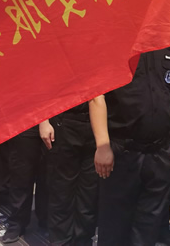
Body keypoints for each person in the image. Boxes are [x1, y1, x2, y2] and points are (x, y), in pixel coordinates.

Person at [90, 45, 170, 246]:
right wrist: (102, 145)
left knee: (148, 227)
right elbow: (97, 96)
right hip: (123, 152)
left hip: (160, 153)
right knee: (115, 227)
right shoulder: (114, 47)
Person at [41, 102, 99, 246]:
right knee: (61, 191)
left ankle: (83, 241)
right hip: (64, 119)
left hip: (96, 123)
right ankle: (60, 241)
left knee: (89, 194)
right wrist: (43, 121)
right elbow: (43, 89)